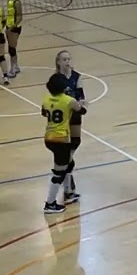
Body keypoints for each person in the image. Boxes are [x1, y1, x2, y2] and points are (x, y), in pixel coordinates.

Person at [40, 73, 85, 214]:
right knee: (59, 172)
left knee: (68, 164)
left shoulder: (46, 99)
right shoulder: (68, 100)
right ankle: (50, 203)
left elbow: (43, 112)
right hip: (62, 139)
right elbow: (81, 110)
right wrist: (83, 104)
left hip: (49, 138)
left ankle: (69, 193)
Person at [53, 51, 85, 202]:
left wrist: (81, 103)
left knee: (75, 143)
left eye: (68, 59)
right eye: (64, 59)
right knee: (65, 151)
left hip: (75, 114)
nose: (67, 62)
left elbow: (81, 96)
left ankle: (66, 175)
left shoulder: (76, 77)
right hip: (62, 118)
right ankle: (68, 188)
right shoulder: (55, 79)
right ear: (58, 62)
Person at [4, 0, 23, 77]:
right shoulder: (9, 1)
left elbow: (20, 17)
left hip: (15, 28)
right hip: (9, 26)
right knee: (11, 47)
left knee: (12, 48)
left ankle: (12, 69)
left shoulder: (17, 2)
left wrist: (12, 27)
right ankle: (16, 66)